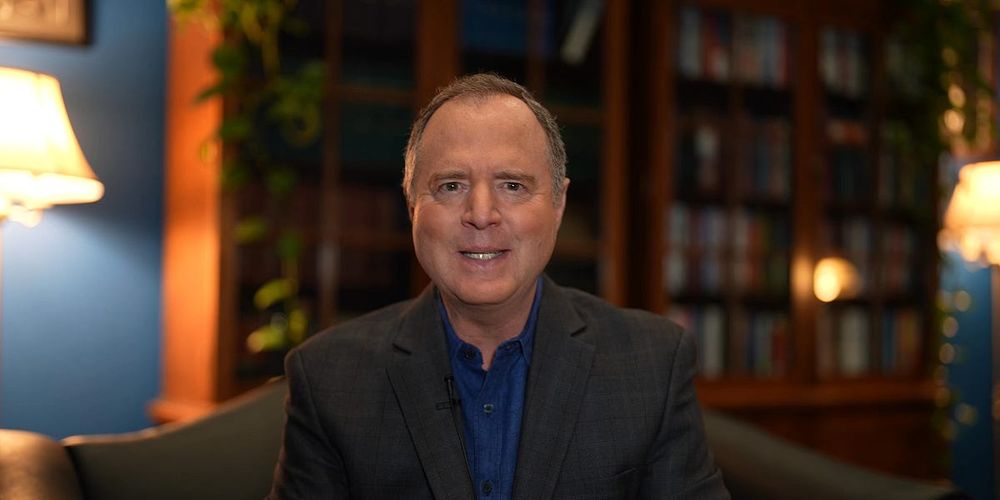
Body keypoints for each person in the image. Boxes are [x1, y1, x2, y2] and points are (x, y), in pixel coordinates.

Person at [268, 73, 729, 499]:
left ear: (558, 204)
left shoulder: (653, 365)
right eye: (451, 186)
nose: (481, 214)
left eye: (512, 185)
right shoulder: (328, 379)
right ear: (412, 207)